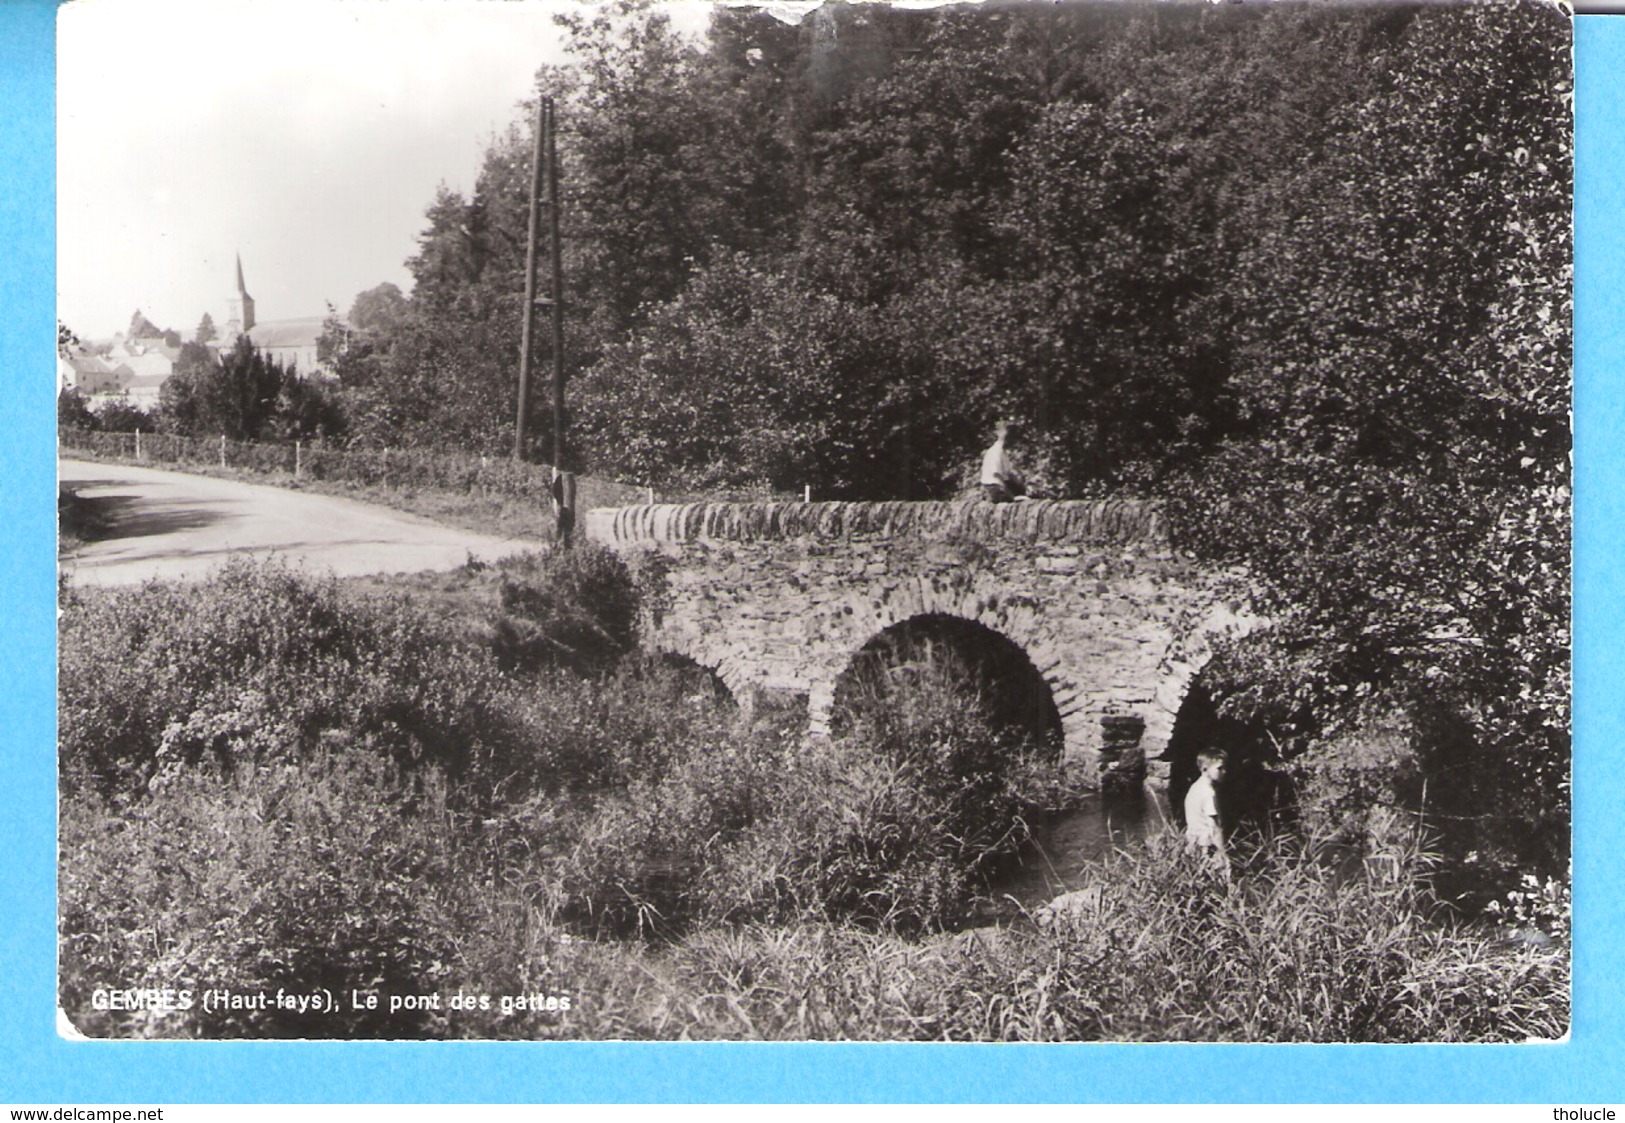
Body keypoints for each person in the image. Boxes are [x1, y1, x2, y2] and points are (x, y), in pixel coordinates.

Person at [1183, 750, 1230, 879]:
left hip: (1192, 842)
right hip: (1206, 846)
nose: (1224, 772)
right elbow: (1214, 827)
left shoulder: (1195, 787)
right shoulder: (1209, 793)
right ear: (1205, 768)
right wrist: (1223, 854)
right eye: (1219, 768)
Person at [979, 420, 1026, 503]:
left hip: (1002, 484)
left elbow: (1007, 474)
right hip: (994, 486)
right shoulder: (996, 452)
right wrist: (1011, 496)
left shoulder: (1004, 453)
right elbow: (997, 476)